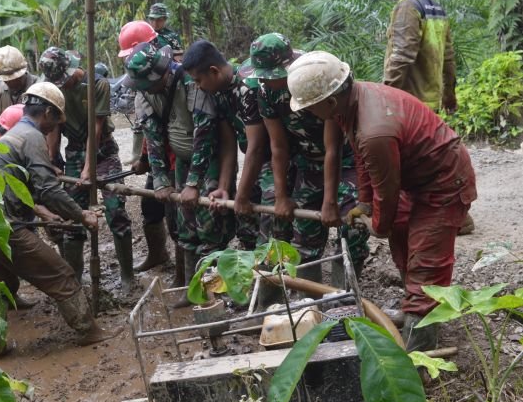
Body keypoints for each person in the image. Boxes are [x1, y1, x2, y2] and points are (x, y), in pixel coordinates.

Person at [287, 51, 477, 351]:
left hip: (443, 181)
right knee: (403, 243)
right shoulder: (351, 102)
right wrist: (364, 203)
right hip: (414, 177)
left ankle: (421, 347)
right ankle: (414, 308)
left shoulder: (375, 129)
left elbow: (387, 191)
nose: (309, 113)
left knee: (426, 261)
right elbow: (364, 162)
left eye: (311, 107)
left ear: (330, 101)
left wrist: (379, 224)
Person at [0, 82, 120, 355]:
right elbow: (48, 190)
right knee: (61, 275)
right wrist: (82, 215)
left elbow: (21, 185)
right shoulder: (32, 138)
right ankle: (89, 332)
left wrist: (45, 211)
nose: (55, 126)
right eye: (56, 119)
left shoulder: (14, 135)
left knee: (4, 282)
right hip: (7, 227)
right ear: (46, 113)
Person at [239, 34, 369, 283]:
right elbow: (278, 146)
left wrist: (329, 202)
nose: (267, 82)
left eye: (272, 76)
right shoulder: (266, 93)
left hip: (346, 162)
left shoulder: (313, 80)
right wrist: (281, 197)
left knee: (351, 227)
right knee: (304, 232)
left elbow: (334, 148)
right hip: (307, 163)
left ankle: (345, 299)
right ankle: (310, 300)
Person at [124, 42, 233, 300]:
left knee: (210, 225)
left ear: (160, 76)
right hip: (181, 161)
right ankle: (190, 286)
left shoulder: (191, 83)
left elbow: (205, 134)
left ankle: (214, 289)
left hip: (209, 161)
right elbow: (153, 137)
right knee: (184, 227)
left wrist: (194, 183)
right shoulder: (143, 92)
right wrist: (161, 179)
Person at [378, 0, 474, 235]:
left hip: (409, 103)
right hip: (430, 101)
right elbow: (449, 57)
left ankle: (436, 220)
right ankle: (460, 217)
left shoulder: (408, 7)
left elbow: (402, 56)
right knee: (436, 161)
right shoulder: (435, 8)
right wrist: (449, 93)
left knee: (413, 166)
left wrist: (383, 97)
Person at [38, 47, 134, 291]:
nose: (64, 84)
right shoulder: (54, 90)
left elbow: (96, 129)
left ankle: (127, 276)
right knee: (73, 213)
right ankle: (76, 278)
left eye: (66, 79)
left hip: (103, 151)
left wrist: (89, 168)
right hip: (74, 151)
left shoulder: (97, 85)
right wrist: (52, 159)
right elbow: (56, 128)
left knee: (115, 211)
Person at [181, 40, 268, 250]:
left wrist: (242, 194)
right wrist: (223, 187)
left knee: (270, 224)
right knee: (246, 226)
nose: (198, 87)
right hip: (255, 162)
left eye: (199, 80)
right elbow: (229, 144)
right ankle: (254, 273)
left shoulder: (247, 86)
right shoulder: (217, 93)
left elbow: (256, 146)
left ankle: (278, 277)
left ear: (214, 71)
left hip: (275, 160)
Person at [116, 21, 182, 283]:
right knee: (150, 205)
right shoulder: (142, 80)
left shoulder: (175, 75)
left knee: (177, 217)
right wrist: (144, 159)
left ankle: (184, 273)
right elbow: (150, 126)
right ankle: (158, 254)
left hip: (179, 156)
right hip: (159, 156)